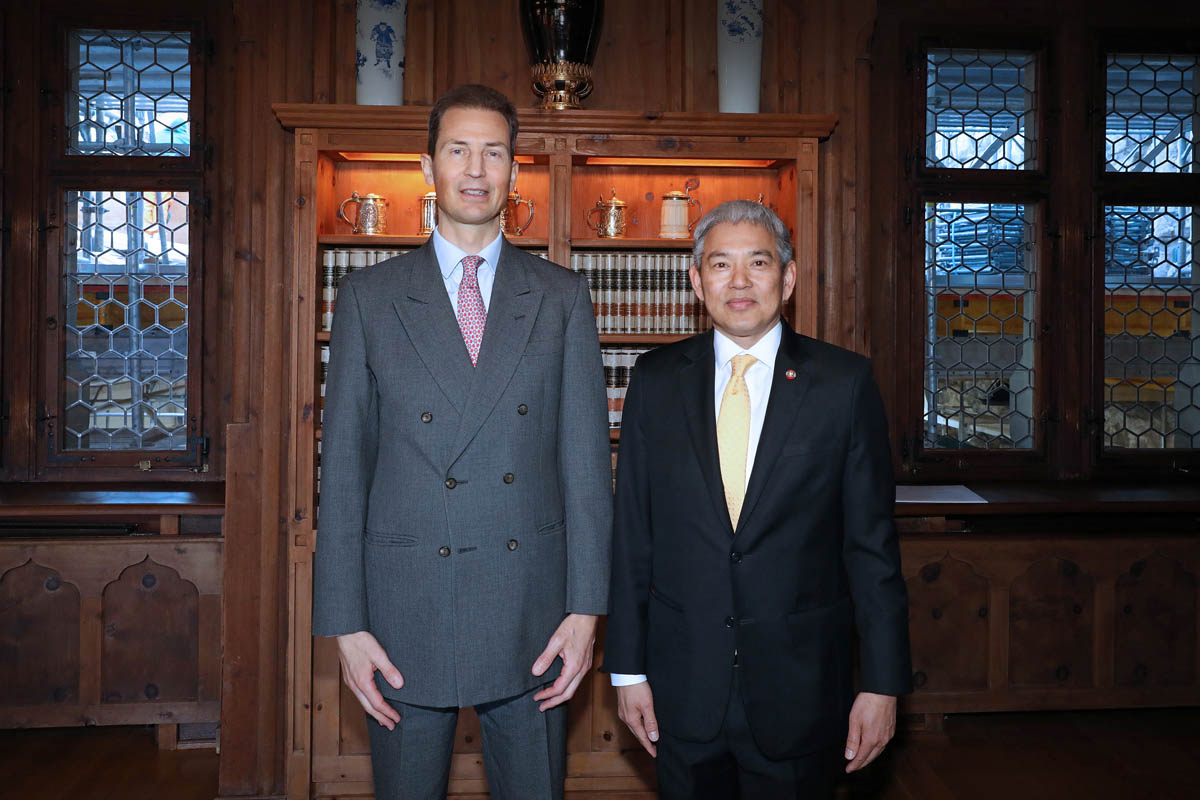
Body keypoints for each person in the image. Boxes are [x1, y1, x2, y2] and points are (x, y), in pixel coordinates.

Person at [313, 84, 612, 800]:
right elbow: (344, 469)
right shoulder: (368, 298)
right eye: (458, 150)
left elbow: (585, 466)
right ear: (428, 166)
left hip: (533, 608)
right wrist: (343, 625)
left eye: (494, 152)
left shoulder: (562, 296)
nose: (476, 169)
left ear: (515, 171)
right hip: (403, 606)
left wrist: (586, 609)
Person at [604, 200, 912, 799]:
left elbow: (872, 549)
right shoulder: (656, 380)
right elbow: (631, 537)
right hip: (681, 687)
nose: (739, 281)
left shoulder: (844, 384)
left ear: (788, 277)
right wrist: (627, 670)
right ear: (697, 281)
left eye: (758, 262)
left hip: (802, 690)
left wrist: (882, 684)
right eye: (720, 264)